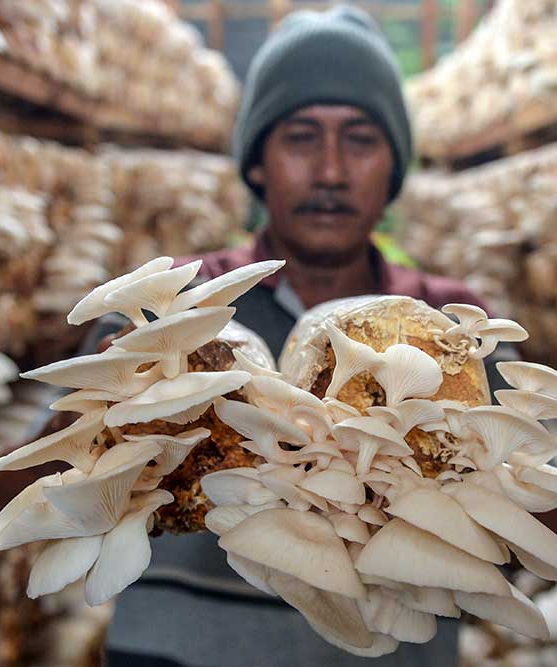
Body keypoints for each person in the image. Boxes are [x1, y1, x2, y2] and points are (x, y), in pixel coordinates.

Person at [100, 6, 502, 666]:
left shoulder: (452, 325)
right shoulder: (171, 305)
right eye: (301, 137)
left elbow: (552, 529)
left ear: (394, 167)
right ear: (257, 160)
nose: (332, 171)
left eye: (362, 139)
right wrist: (104, 416)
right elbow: (24, 489)